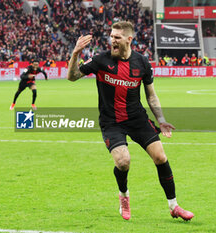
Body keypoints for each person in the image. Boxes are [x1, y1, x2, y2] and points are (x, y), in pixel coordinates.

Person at [67, 21, 194, 221]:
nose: (112, 40)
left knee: (160, 157)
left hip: (137, 118)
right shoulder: (101, 60)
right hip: (111, 121)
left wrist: (161, 119)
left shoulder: (142, 63)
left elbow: (151, 96)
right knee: (123, 162)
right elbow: (72, 77)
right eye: (111, 36)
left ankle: (174, 206)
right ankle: (124, 196)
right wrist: (75, 54)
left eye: (117, 37)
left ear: (129, 39)